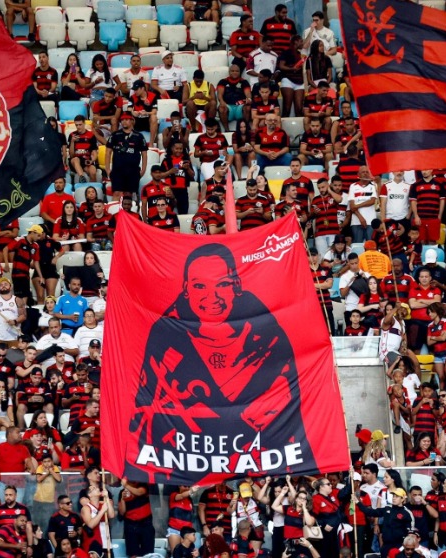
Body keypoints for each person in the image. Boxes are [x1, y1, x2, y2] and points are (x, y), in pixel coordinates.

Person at [126, 244, 314, 481]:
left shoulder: (269, 336)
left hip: (260, 467)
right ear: (186, 289)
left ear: (236, 286)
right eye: (199, 285)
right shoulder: (165, 337)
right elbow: (146, 407)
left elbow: (292, 409)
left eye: (222, 284)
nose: (211, 297)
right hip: (185, 466)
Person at [105, 113, 148, 201]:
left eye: (127, 119)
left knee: (129, 194)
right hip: (117, 170)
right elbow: (108, 152)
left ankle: (129, 214)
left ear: (132, 121)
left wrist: (143, 169)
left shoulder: (139, 136)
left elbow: (144, 153)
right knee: (116, 193)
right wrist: (107, 169)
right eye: (122, 120)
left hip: (133, 170)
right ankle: (115, 213)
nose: (124, 122)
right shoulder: (115, 135)